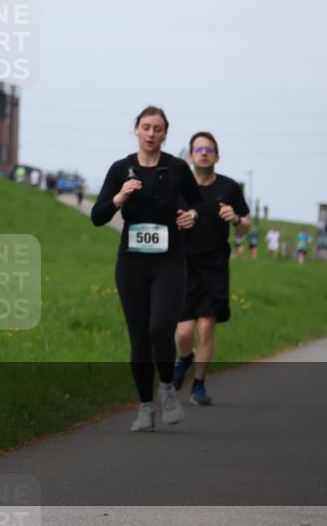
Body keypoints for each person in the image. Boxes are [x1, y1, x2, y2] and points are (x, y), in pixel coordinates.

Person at [92, 106, 202, 431]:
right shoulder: (120, 168)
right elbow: (98, 216)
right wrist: (119, 197)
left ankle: (166, 387)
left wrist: (192, 216)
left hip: (170, 260)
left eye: (157, 129)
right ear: (136, 130)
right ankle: (144, 407)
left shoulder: (178, 168)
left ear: (165, 133)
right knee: (139, 338)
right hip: (131, 262)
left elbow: (198, 202)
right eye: (146, 127)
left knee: (160, 328)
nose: (151, 134)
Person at [171, 132, 250, 406]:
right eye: (198, 148)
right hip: (182, 264)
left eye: (209, 149)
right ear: (191, 155)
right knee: (183, 333)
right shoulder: (179, 188)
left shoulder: (229, 187)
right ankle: (185, 358)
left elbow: (246, 224)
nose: (204, 153)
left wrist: (236, 218)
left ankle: (199, 386)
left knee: (206, 327)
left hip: (214, 265)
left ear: (217, 156)